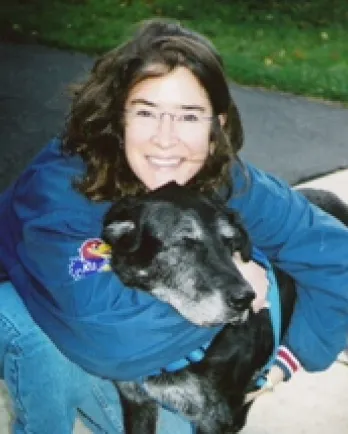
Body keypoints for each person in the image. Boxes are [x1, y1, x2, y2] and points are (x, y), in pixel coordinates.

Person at [0, 17, 347, 433]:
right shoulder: (60, 192)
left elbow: (336, 255)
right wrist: (234, 294)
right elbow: (111, 339)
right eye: (147, 112)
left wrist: (291, 355)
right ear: (118, 118)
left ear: (216, 126)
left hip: (118, 332)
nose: (166, 140)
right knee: (33, 332)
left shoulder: (222, 176)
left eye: (188, 116)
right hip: (39, 304)